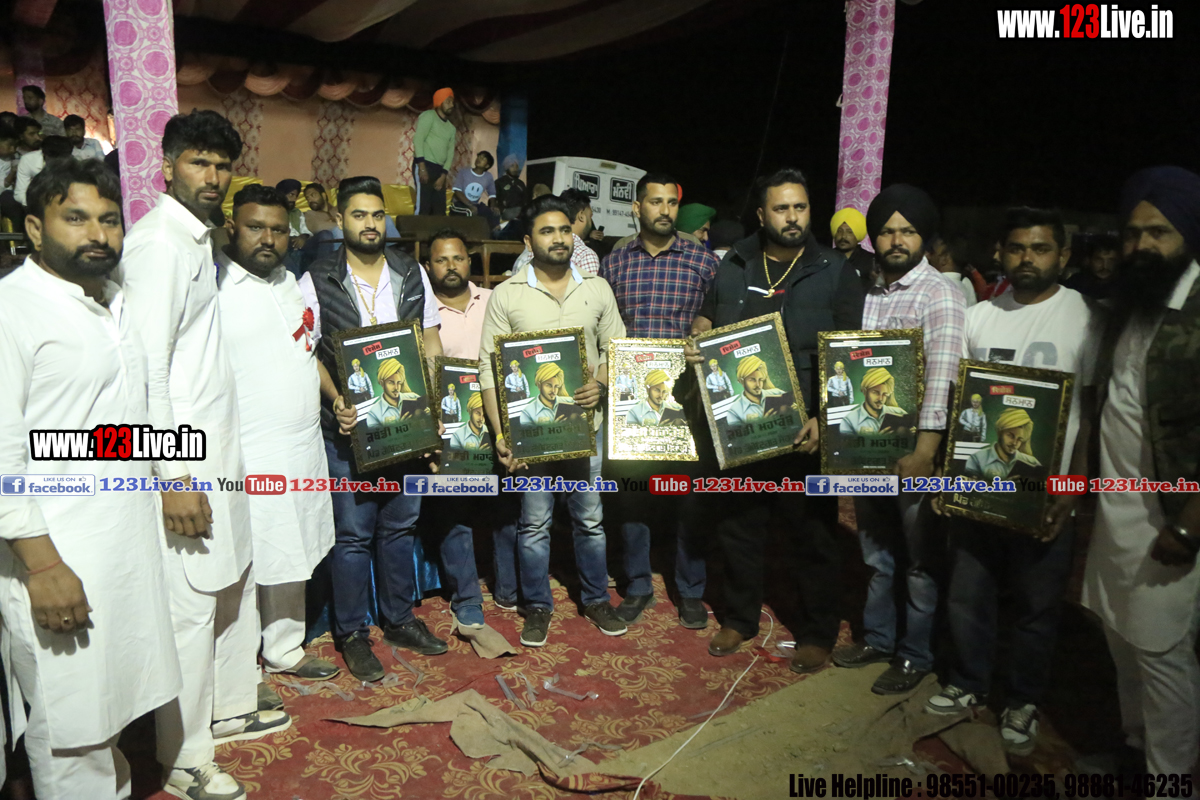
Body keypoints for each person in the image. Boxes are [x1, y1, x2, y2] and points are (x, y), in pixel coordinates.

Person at [0, 158, 181, 799]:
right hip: (57, 551)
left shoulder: (112, 300)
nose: (97, 234)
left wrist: (172, 474)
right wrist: (44, 566)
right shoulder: (12, 310)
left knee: (108, 708)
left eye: (108, 220)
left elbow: (113, 424)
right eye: (75, 218)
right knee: (71, 724)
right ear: (34, 227)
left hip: (121, 544)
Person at [121, 110, 287, 800]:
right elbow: (147, 372)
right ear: (167, 166)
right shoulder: (159, 244)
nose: (212, 176)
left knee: (229, 586)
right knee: (190, 609)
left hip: (220, 451)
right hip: (187, 461)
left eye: (222, 165)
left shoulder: (196, 238)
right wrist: (173, 477)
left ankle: (226, 710)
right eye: (198, 162)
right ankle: (184, 756)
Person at [928, 207, 1099, 759]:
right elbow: (961, 406)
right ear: (1000, 253)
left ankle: (1022, 700)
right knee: (968, 594)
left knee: (1036, 606)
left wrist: (1072, 490)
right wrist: (950, 475)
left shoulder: (1087, 318)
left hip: (1045, 493)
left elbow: (1093, 415)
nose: (1028, 258)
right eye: (1018, 248)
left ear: (1063, 256)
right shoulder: (979, 316)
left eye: (1041, 248)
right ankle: (968, 683)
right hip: (980, 484)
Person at [688, 166, 864, 671]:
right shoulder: (733, 265)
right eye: (782, 208)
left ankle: (817, 631)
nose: (792, 217)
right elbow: (707, 317)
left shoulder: (836, 270)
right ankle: (740, 618)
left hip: (804, 430)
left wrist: (825, 418)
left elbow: (849, 352)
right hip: (741, 426)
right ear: (762, 215)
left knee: (813, 535)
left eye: (800, 207)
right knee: (738, 528)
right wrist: (697, 338)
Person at [299, 175, 451, 681]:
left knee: (400, 527)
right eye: (359, 215)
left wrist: (434, 403)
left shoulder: (411, 272)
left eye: (377, 215)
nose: (370, 224)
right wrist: (337, 400)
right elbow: (307, 354)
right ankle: (351, 633)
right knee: (353, 536)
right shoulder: (316, 279)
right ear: (340, 219)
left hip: (407, 423)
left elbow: (431, 341)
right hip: (348, 431)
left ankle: (400, 620)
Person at [1081, 166, 1200, 780]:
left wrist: (1189, 527)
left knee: (1162, 655)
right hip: (1116, 512)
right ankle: (1135, 749)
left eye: (1159, 232)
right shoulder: (1131, 305)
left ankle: (1172, 782)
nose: (1142, 246)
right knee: (1120, 637)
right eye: (1132, 233)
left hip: (1171, 521)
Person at [832, 183, 965, 695]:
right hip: (868, 449)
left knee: (919, 561)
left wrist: (926, 452)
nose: (896, 240)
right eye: (887, 231)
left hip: (914, 453)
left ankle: (916, 655)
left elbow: (943, 378)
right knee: (877, 555)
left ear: (923, 237)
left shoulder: (939, 293)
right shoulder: (867, 292)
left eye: (907, 231)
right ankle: (880, 639)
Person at [479, 193, 628, 646]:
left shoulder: (597, 288)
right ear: (529, 241)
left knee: (590, 521)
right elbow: (489, 369)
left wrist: (600, 384)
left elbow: (616, 348)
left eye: (565, 229)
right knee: (534, 525)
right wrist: (500, 432)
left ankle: (596, 599)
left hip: (587, 429)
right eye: (547, 231)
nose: (559, 238)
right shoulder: (507, 294)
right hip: (532, 435)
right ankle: (537, 606)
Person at [216, 184, 341, 688]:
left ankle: (285, 648)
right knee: (250, 558)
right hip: (250, 448)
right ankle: (241, 672)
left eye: (277, 229)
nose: (268, 239)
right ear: (232, 228)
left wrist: (334, 398)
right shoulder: (213, 287)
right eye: (255, 227)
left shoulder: (290, 282)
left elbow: (307, 353)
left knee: (295, 547)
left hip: (302, 443)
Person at [601, 171, 720, 626]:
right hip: (631, 401)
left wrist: (704, 331)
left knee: (688, 496)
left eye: (672, 202)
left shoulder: (702, 262)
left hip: (685, 400)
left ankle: (690, 589)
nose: (665, 210)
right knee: (633, 496)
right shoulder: (614, 264)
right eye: (656, 202)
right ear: (637, 208)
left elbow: (715, 317)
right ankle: (637, 585)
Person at [424, 228, 493, 360]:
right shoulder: (423, 313)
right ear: (428, 267)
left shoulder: (494, 300)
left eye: (459, 259)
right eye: (441, 260)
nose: (451, 266)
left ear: (469, 262)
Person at [513, 188, 601, 275]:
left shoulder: (524, 257)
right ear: (581, 215)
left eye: (565, 230)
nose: (559, 240)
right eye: (547, 232)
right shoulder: (585, 256)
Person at [963, 409, 1044, 479]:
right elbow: (969, 489)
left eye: (1019, 439)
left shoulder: (1033, 463)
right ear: (1000, 433)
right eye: (1010, 436)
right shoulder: (977, 459)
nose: (1014, 443)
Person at [414, 88, 457, 216]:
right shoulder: (429, 116)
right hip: (425, 164)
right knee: (424, 207)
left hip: (440, 171)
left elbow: (450, 153)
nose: (451, 105)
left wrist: (443, 176)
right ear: (439, 102)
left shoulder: (451, 128)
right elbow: (418, 140)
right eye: (448, 101)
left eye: (452, 102)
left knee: (439, 210)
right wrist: (422, 168)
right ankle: (418, 229)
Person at [837, 367, 911, 435]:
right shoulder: (849, 421)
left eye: (884, 394)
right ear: (865, 392)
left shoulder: (900, 413)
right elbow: (847, 444)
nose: (880, 399)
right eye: (876, 393)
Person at [724, 355, 791, 426]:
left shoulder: (778, 393)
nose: (758, 385)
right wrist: (764, 424)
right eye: (752, 380)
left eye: (760, 379)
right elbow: (739, 433)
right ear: (742, 381)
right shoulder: (734, 412)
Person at [363, 358, 427, 427]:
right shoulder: (373, 414)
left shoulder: (414, 397)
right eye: (391, 383)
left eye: (398, 383)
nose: (396, 388)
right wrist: (400, 426)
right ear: (382, 383)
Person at [831, 206, 877, 288]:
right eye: (839, 231)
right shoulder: (826, 259)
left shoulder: (871, 261)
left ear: (857, 235)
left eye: (849, 232)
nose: (843, 236)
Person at [929, 235, 978, 308]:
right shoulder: (966, 284)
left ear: (944, 259)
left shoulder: (934, 287)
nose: (927, 255)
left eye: (932, 252)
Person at [1065, 234, 1119, 300]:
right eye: (1099, 260)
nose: (1105, 266)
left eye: (1111, 261)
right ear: (1088, 260)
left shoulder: (1123, 286)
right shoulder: (1075, 284)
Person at [450, 151, 497, 222]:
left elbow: (492, 194)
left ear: (487, 166)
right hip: (458, 204)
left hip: (474, 204)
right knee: (470, 212)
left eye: (483, 159)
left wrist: (493, 206)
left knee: (493, 214)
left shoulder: (488, 176)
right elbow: (457, 191)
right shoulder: (464, 172)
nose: (479, 159)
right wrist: (470, 205)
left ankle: (495, 229)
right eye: (479, 157)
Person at [275, 178, 311, 245]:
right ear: (282, 194)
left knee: (324, 235)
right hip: (284, 243)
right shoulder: (274, 211)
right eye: (291, 195)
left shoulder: (297, 213)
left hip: (300, 243)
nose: (294, 199)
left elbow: (304, 230)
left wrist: (303, 237)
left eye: (296, 196)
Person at [496, 154, 527, 221]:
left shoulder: (520, 183)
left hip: (521, 211)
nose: (515, 169)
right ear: (507, 167)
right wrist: (502, 210)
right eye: (512, 166)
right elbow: (495, 199)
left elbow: (525, 199)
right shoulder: (499, 182)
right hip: (507, 211)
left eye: (516, 166)